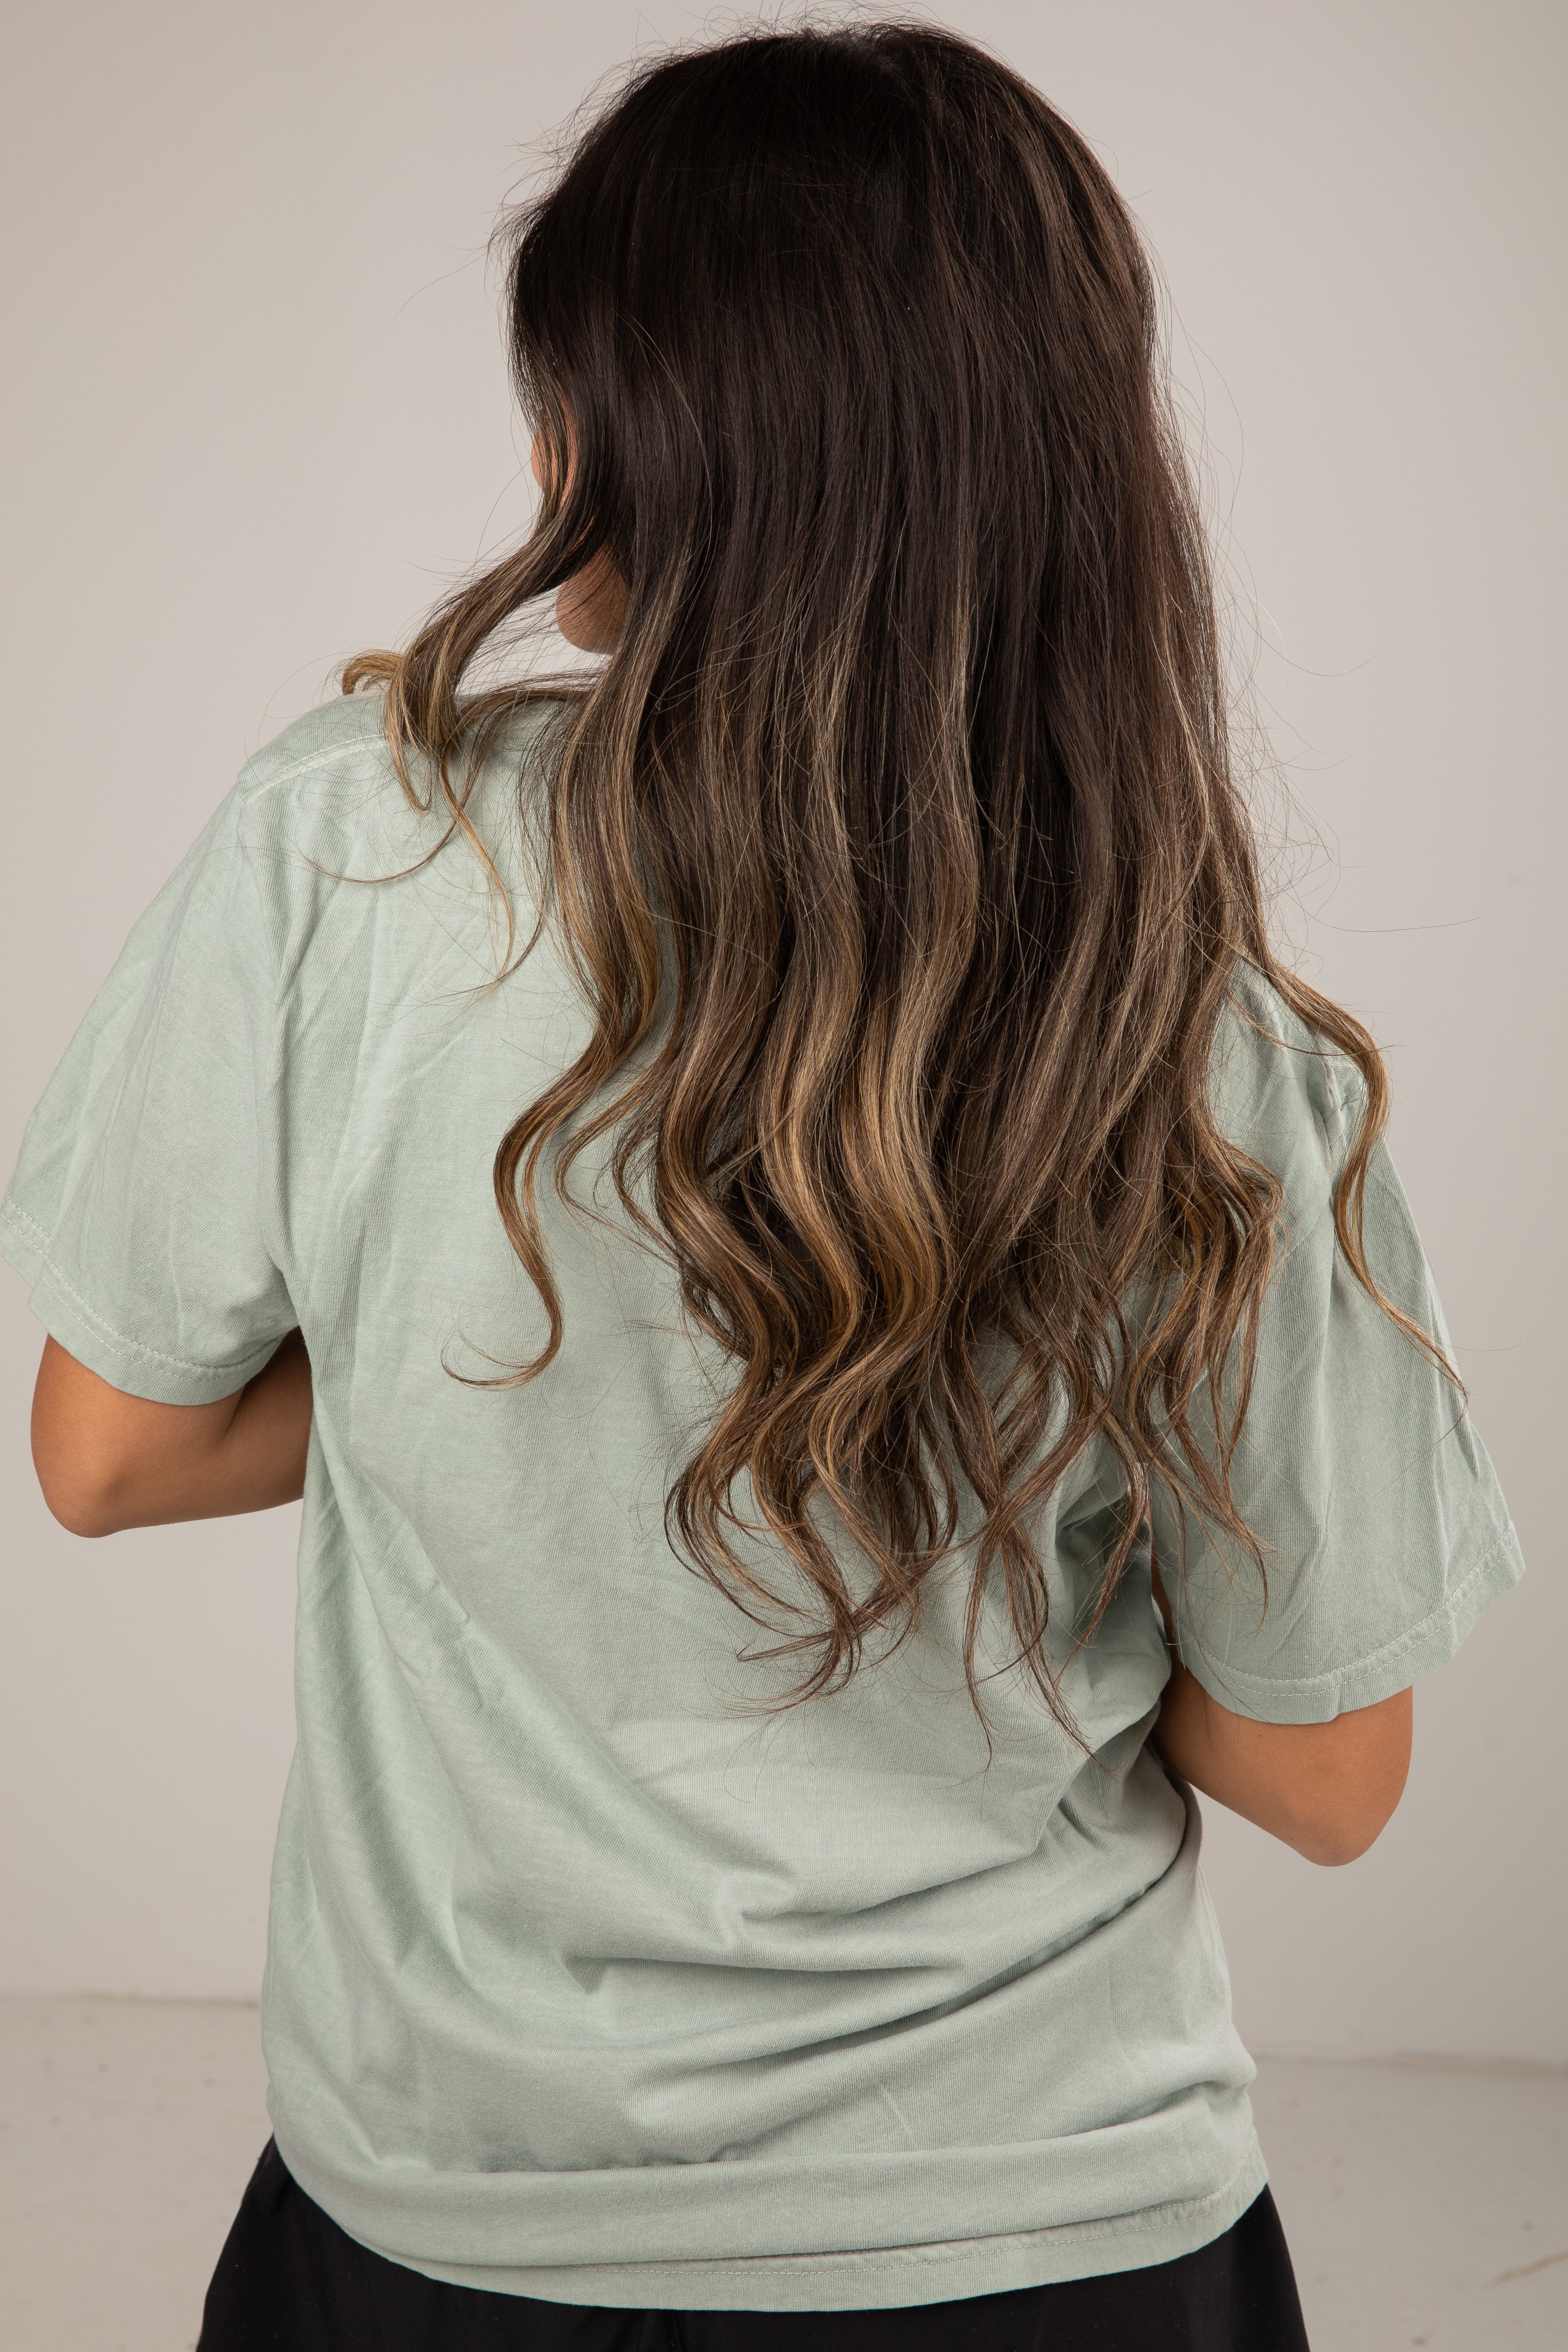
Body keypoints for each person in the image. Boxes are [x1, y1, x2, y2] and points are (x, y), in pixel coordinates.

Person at [3, 21, 1524, 2351]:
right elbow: (1318, 1769)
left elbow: (105, 1451)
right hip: (1062, 2246)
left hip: (454, 2228)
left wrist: (491, 1393)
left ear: (647, 444)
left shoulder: (349, 839)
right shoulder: (1196, 1037)